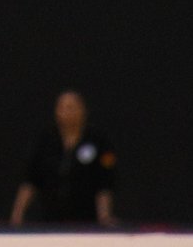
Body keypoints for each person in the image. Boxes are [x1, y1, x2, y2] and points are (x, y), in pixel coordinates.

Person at [10, 90, 118, 227]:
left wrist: (105, 216)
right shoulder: (46, 142)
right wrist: (17, 215)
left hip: (86, 221)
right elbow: (30, 181)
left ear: (83, 110)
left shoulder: (98, 142)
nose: (67, 112)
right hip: (49, 220)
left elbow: (105, 184)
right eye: (62, 107)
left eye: (71, 107)